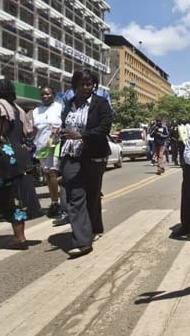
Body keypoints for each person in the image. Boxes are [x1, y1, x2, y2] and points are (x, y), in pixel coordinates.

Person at [59, 69, 113, 258]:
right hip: (71, 155)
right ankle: (83, 241)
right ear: (75, 85)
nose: (85, 87)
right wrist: (61, 131)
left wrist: (81, 135)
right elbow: (67, 125)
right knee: (75, 196)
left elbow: (104, 128)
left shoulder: (101, 103)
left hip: (94, 155)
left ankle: (95, 226)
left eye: (89, 84)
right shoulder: (70, 104)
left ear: (94, 85)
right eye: (81, 84)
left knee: (92, 194)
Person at [0, 79, 42, 249]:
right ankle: (19, 238)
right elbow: (30, 131)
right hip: (19, 159)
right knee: (14, 199)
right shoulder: (17, 109)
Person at [31, 86, 63, 219]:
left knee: (52, 172)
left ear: (53, 95)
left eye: (48, 94)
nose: (45, 96)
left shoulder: (59, 107)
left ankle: (58, 203)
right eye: (43, 94)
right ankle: (54, 201)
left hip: (56, 143)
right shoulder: (36, 111)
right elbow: (34, 129)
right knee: (48, 175)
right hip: (41, 145)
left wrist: (57, 131)